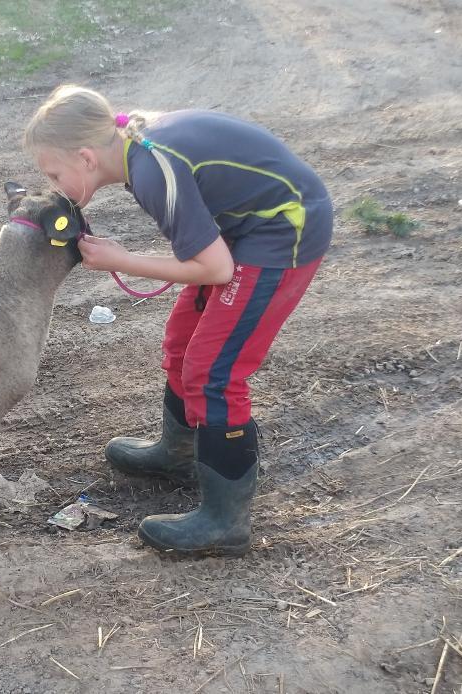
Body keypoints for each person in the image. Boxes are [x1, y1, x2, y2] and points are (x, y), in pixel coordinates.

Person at [23, 85, 333, 557]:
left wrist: (123, 260)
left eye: (53, 173)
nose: (54, 186)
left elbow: (215, 270)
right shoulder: (135, 145)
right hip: (247, 229)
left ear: (85, 157)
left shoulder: (151, 170)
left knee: (215, 370)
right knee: (183, 340)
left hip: (283, 231)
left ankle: (224, 523)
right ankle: (180, 452)